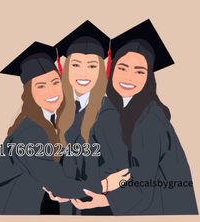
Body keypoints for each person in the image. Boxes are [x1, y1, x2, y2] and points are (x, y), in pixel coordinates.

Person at [0, 41, 124, 215]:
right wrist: (105, 185)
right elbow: (59, 185)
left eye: (54, 82)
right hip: (1, 210)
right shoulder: (30, 131)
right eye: (41, 86)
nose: (51, 91)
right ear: (29, 93)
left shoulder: (53, 121)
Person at [71, 19, 198, 215]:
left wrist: (104, 198)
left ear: (148, 78)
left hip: (164, 209)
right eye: (122, 68)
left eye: (140, 71)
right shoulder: (111, 109)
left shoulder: (150, 120)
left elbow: (142, 184)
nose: (129, 78)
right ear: (111, 69)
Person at [46, 20, 130, 215]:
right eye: (76, 64)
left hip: (95, 208)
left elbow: (123, 173)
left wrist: (106, 197)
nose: (83, 73)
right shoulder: (58, 111)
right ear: (65, 69)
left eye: (92, 66)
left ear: (102, 71)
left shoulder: (108, 114)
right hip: (65, 209)